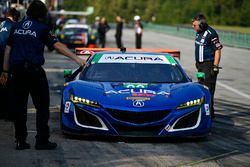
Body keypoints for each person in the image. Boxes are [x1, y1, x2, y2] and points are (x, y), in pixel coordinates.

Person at [0, 0, 85, 150]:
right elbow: (56, 45)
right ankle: (41, 140)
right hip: (34, 72)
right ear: (42, 14)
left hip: (17, 71)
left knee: (19, 107)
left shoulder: (17, 27)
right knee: (42, 106)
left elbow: (8, 50)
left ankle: (20, 141)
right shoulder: (42, 28)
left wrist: (5, 71)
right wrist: (77, 59)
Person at [192, 14, 223, 119]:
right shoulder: (198, 32)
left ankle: (209, 113)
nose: (193, 27)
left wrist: (215, 66)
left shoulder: (211, 33)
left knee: (208, 89)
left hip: (208, 65)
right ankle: (201, 111)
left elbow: (218, 49)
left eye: (195, 25)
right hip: (200, 66)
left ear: (202, 24)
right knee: (200, 87)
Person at [0, 8, 20, 120]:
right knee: (9, 85)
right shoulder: (14, 26)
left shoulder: (1, 23)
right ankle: (8, 113)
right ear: (16, 17)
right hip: (6, 58)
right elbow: (11, 47)